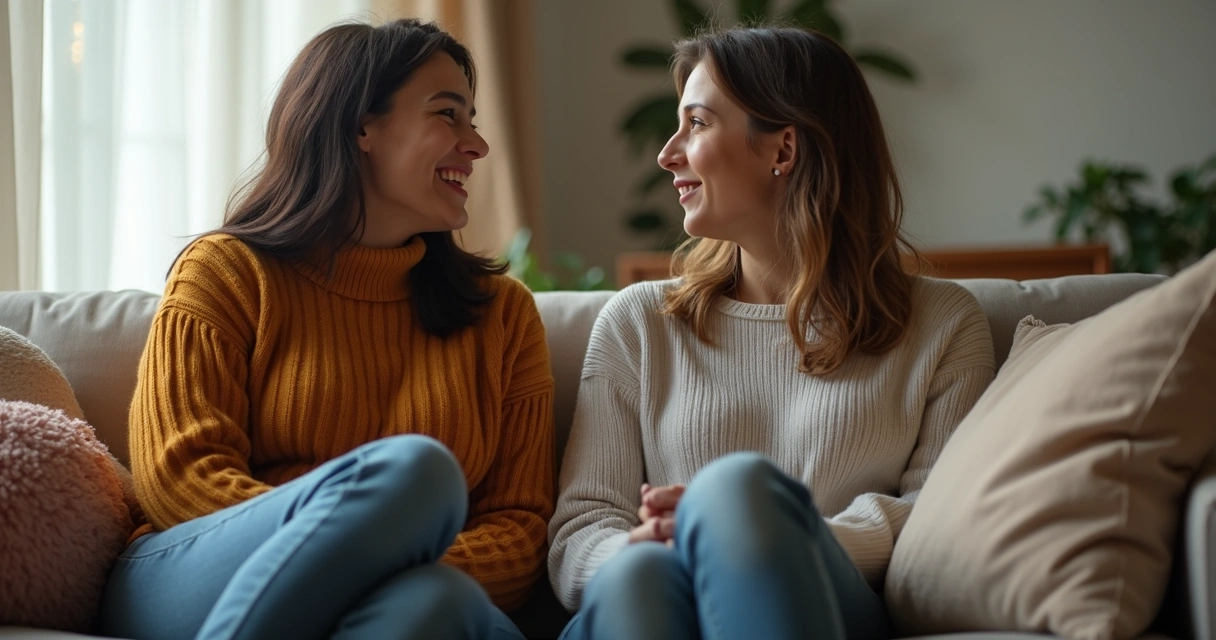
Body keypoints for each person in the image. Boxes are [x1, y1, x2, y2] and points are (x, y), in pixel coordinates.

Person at [98, 19, 554, 640]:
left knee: (437, 603)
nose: (476, 145)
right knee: (415, 475)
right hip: (191, 571)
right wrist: (373, 535)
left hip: (406, 593)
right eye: (449, 115)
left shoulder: (501, 314)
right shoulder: (226, 272)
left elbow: (518, 532)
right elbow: (178, 477)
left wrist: (367, 560)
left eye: (472, 119)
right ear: (360, 125)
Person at [548, 26, 996, 640]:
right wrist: (653, 543)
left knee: (735, 490)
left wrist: (746, 527)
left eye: (698, 123)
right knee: (638, 573)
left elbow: (937, 522)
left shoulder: (944, 326)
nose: (668, 153)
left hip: (830, 602)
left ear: (783, 149)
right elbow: (583, 526)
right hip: (652, 603)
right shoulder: (638, 324)